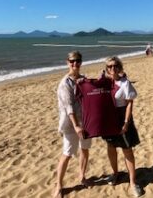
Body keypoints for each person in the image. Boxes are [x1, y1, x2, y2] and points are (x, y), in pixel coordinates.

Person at [103, 56, 143, 197]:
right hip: (109, 120)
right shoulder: (104, 83)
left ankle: (133, 182)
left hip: (122, 119)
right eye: (109, 66)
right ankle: (115, 174)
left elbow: (129, 103)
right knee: (111, 147)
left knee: (127, 150)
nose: (112, 69)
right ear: (106, 69)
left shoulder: (125, 83)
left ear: (119, 67)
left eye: (115, 66)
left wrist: (126, 122)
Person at [53, 51, 92, 198]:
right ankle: (59, 185)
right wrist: (76, 126)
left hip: (86, 122)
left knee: (85, 149)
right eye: (72, 61)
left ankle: (82, 176)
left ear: (81, 62)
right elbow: (69, 107)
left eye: (78, 61)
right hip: (70, 124)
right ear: (67, 62)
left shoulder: (83, 80)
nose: (75, 63)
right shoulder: (65, 83)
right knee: (67, 153)